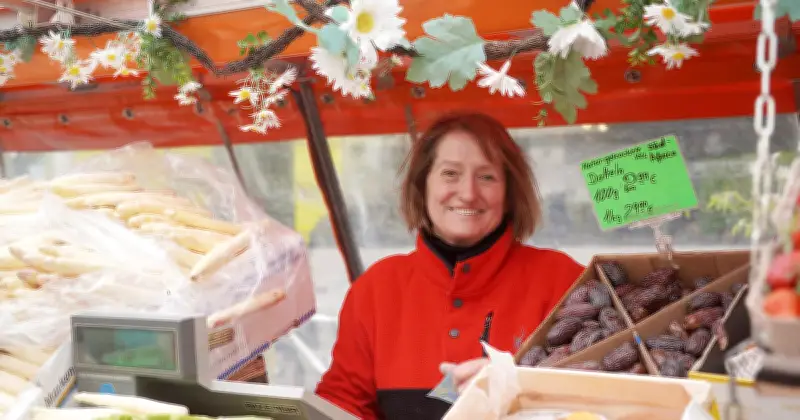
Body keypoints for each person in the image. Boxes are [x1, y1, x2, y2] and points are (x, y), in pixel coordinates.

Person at [315, 112, 585, 420]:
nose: (468, 193)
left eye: (487, 177)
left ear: (509, 194)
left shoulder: (562, 280)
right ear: (422, 185)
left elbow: (608, 394)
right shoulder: (376, 288)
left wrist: (522, 387)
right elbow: (343, 402)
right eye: (450, 174)